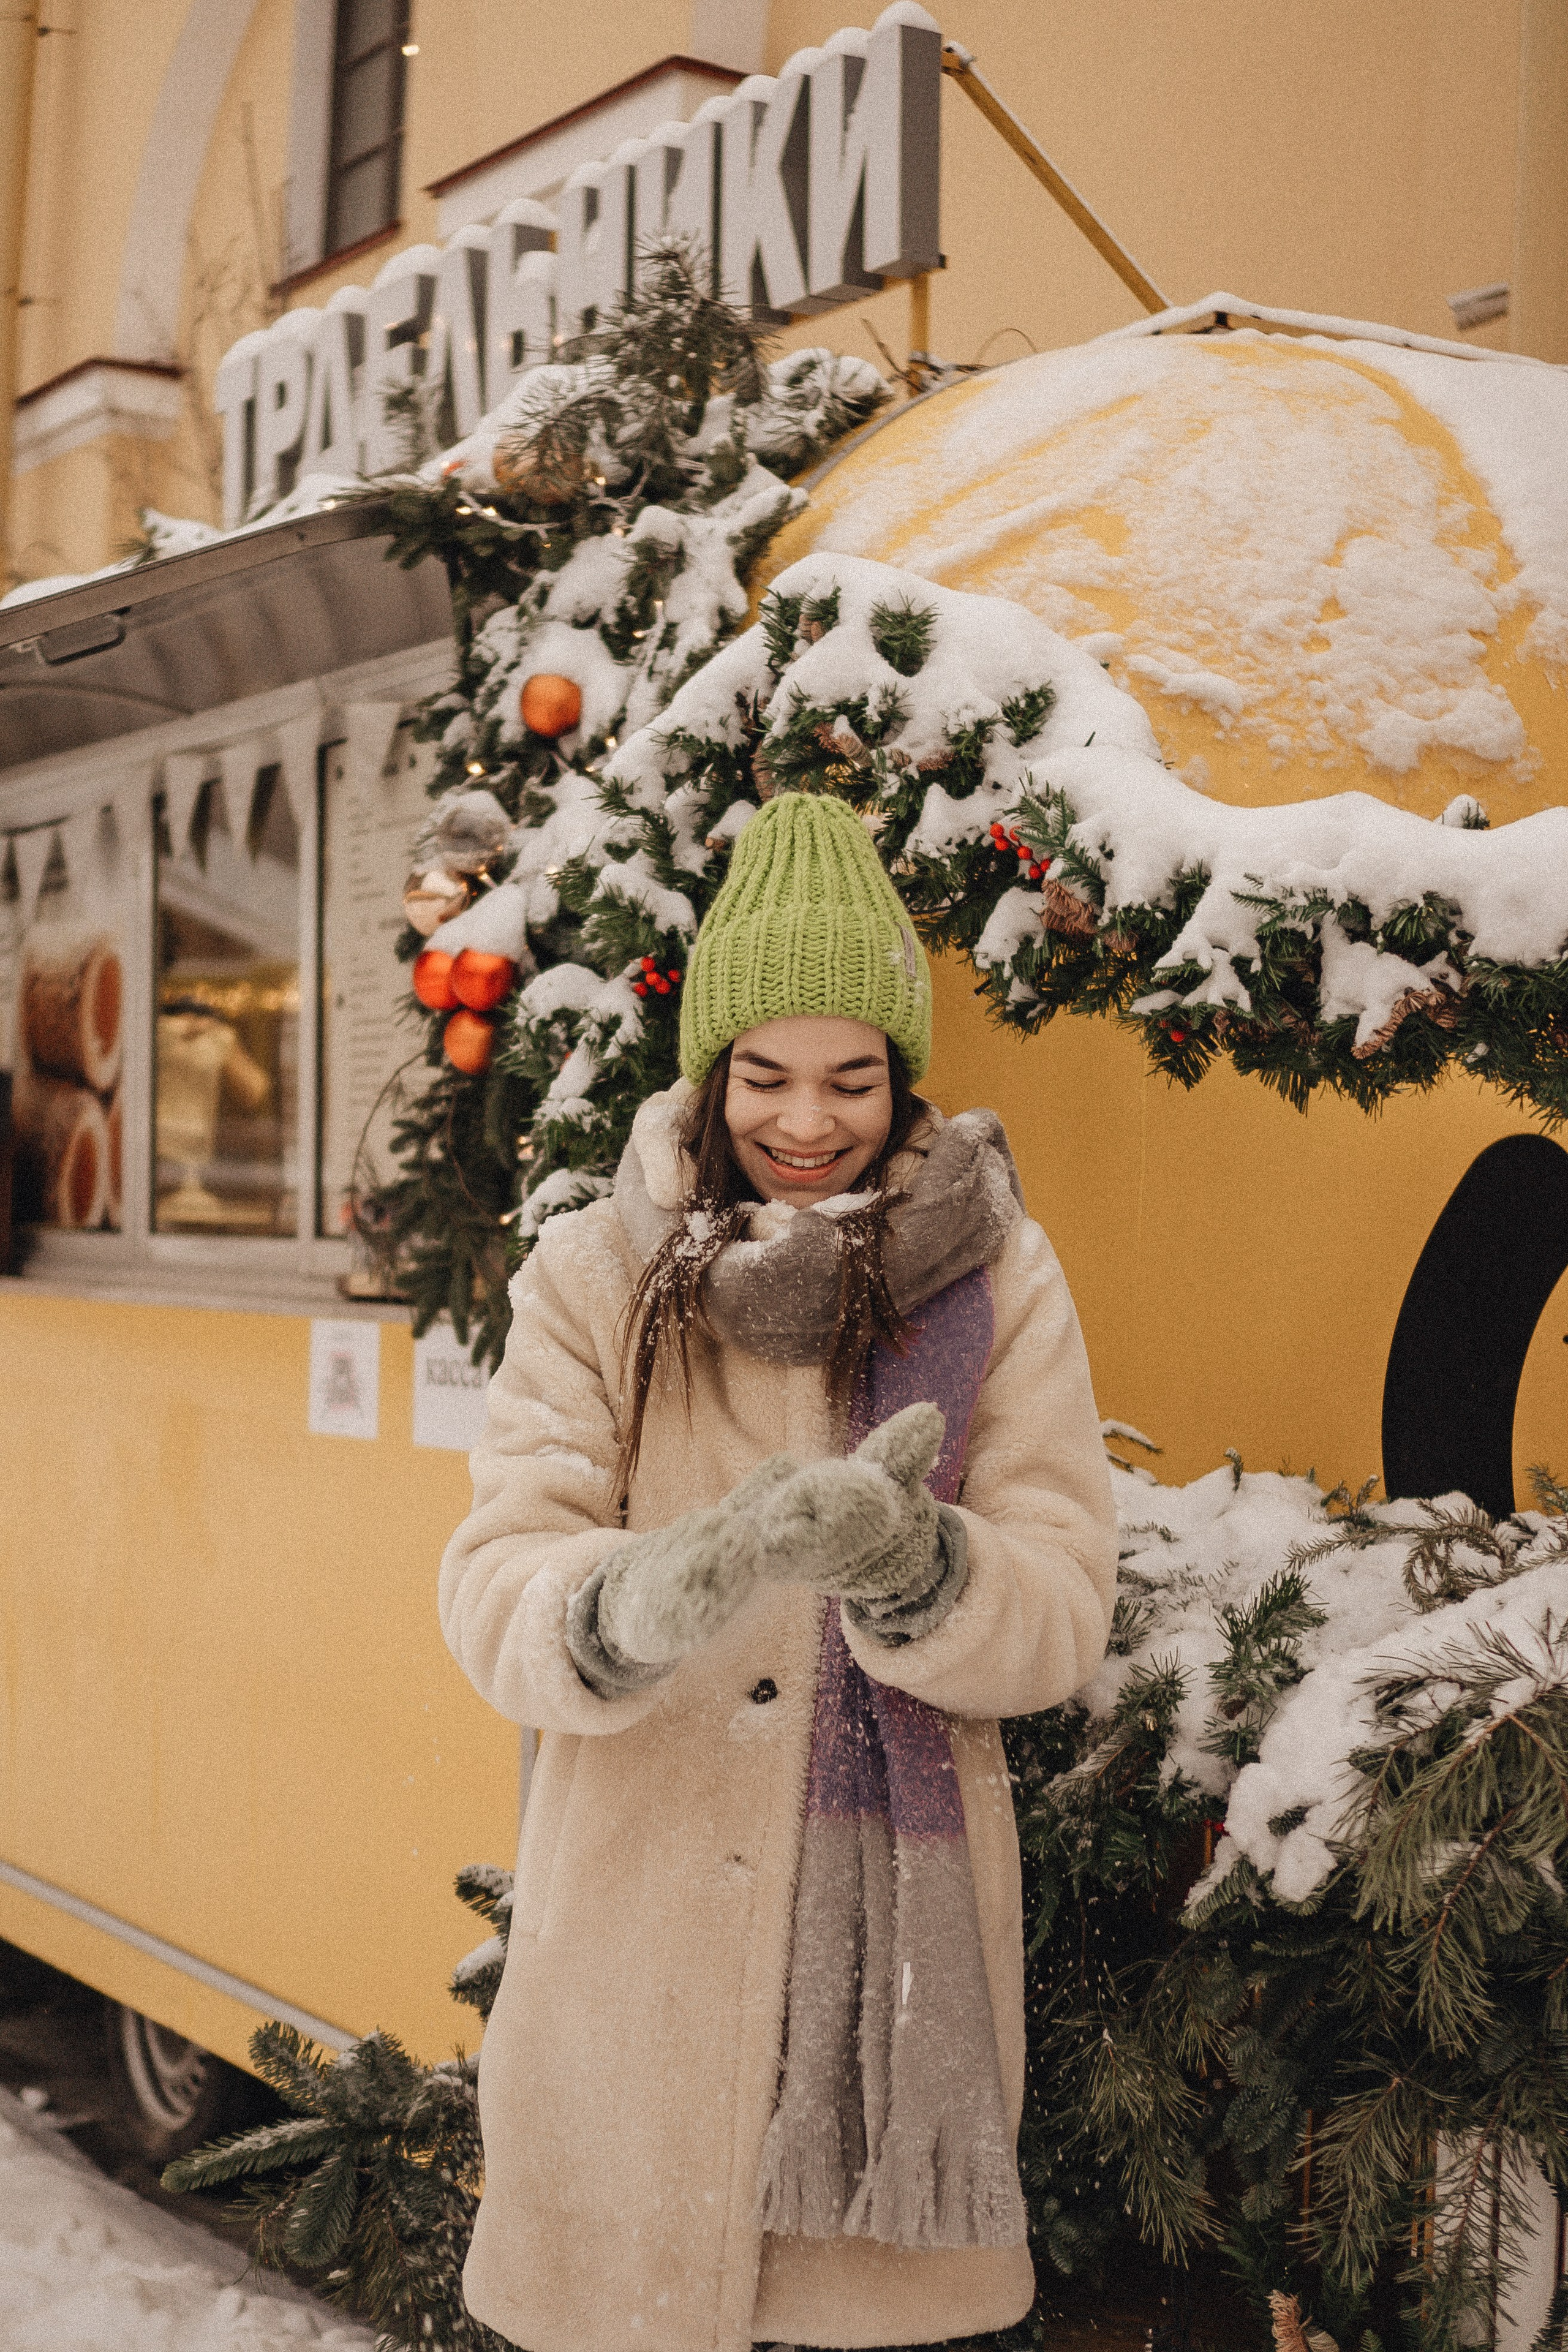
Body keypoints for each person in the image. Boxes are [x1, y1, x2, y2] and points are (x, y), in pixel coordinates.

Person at [439, 789, 1117, 2352]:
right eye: (763, 1076)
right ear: (707, 1072)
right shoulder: (594, 1271)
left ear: (901, 1076)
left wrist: (917, 1570)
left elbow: (1062, 1599)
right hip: (633, 1976)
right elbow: (496, 1570)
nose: (805, 1121)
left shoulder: (1000, 1275)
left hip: (882, 2017)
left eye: (850, 1078)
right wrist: (623, 1606)